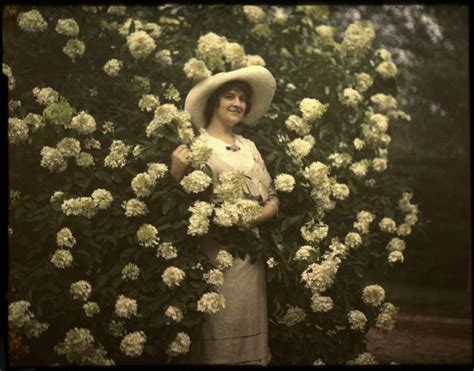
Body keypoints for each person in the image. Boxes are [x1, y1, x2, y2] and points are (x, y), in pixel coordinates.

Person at [170, 66, 279, 365]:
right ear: (214, 103)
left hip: (250, 259)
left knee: (249, 336)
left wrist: (253, 218)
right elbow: (181, 207)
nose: (238, 103)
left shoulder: (250, 147)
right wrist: (175, 174)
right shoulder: (198, 147)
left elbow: (272, 199)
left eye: (243, 98)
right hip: (213, 256)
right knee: (217, 333)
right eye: (229, 96)